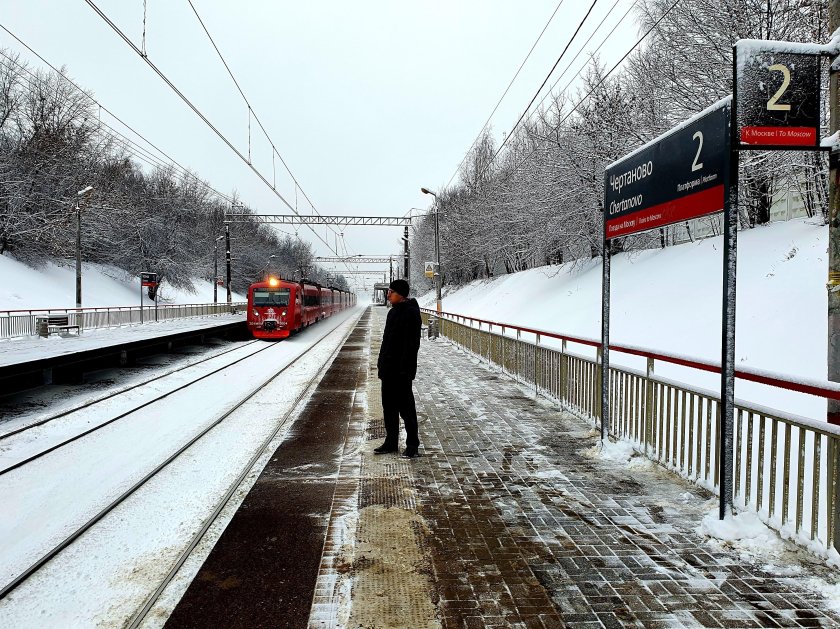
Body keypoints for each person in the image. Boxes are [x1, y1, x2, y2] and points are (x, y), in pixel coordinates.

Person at [374, 278, 422, 458]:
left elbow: (411, 346)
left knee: (406, 409)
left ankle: (412, 445)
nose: (388, 295)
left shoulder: (410, 313)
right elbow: (387, 343)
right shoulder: (393, 313)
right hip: (388, 371)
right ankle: (391, 442)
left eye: (390, 292)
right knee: (389, 408)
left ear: (400, 295)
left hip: (401, 372)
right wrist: (381, 363)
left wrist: (405, 370)